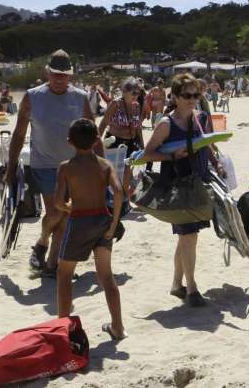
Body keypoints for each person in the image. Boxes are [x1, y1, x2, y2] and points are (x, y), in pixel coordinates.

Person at [5, 50, 98, 277]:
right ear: (48, 72)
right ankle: (44, 245)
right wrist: (11, 166)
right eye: (55, 73)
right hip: (44, 165)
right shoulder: (32, 96)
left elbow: (92, 133)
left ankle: (50, 262)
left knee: (67, 215)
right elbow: (18, 134)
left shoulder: (80, 97)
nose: (59, 78)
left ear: (70, 76)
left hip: (75, 166)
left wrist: (99, 164)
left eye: (63, 75)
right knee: (58, 211)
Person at [138, 73, 225, 306]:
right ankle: (192, 289)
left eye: (196, 95)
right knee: (189, 236)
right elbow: (148, 153)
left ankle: (177, 284)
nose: (192, 99)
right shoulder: (166, 123)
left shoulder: (200, 118)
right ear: (174, 97)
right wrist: (171, 155)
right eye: (187, 95)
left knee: (186, 237)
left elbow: (206, 144)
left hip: (197, 182)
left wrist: (216, 163)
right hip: (176, 185)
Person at [54, 118, 125, 340]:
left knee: (64, 274)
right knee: (106, 276)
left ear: (69, 142)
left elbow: (57, 202)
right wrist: (113, 224)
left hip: (79, 222)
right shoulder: (105, 165)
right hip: (102, 221)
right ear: (96, 140)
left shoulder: (66, 167)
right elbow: (119, 191)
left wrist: (68, 207)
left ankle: (63, 327)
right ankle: (118, 327)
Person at [98, 78, 144, 192]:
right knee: (112, 172)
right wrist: (96, 143)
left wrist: (142, 145)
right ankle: (109, 197)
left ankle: (123, 198)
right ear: (125, 91)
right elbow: (103, 123)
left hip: (130, 142)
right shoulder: (116, 104)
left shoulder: (136, 105)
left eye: (138, 93)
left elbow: (138, 126)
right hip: (114, 142)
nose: (136, 95)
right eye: (133, 92)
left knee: (128, 170)